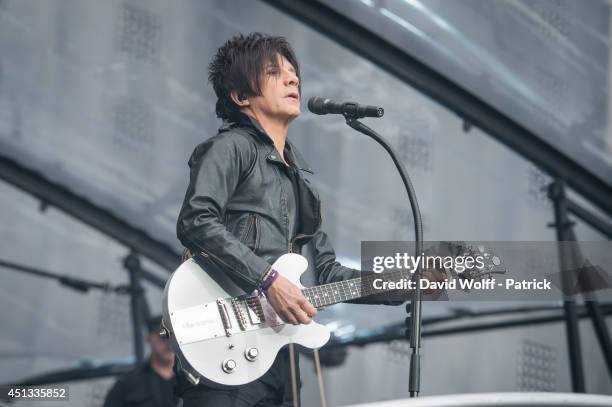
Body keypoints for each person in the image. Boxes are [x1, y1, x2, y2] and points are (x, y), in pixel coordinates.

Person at [175, 32, 439, 407]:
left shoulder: (301, 182)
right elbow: (196, 221)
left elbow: (327, 274)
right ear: (241, 96)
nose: (292, 78)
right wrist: (267, 280)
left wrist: (404, 284)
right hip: (225, 350)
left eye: (293, 71)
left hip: (279, 360)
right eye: (273, 71)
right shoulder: (230, 148)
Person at [104, 316, 178, 407]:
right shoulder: (127, 384)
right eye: (163, 337)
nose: (169, 343)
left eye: (173, 337)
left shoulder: (192, 380)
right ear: (149, 338)